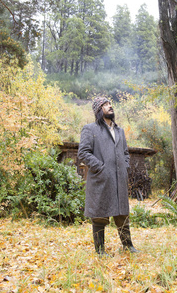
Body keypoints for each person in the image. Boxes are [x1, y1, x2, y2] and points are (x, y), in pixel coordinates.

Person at [77, 97, 139, 256]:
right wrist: (100, 167)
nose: (110, 106)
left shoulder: (120, 131)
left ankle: (128, 246)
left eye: (110, 104)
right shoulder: (90, 129)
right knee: (99, 215)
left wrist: (124, 167)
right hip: (101, 179)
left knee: (122, 213)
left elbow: (126, 153)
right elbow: (83, 153)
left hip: (119, 179)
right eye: (105, 105)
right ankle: (100, 251)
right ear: (98, 110)